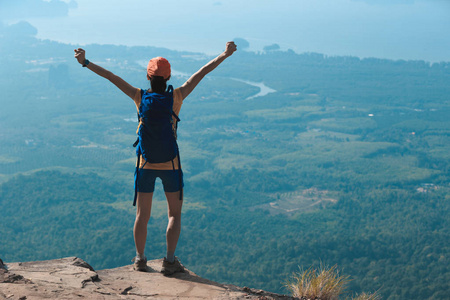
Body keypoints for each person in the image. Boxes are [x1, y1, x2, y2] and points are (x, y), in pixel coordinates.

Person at [74, 41, 237, 275]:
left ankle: (140, 259)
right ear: (168, 76)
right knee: (174, 214)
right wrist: (225, 54)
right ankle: (169, 261)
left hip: (145, 163)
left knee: (142, 215)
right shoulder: (177, 96)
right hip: (171, 164)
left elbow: (110, 76)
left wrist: (85, 62)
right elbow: (202, 72)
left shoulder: (138, 96)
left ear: (148, 77)